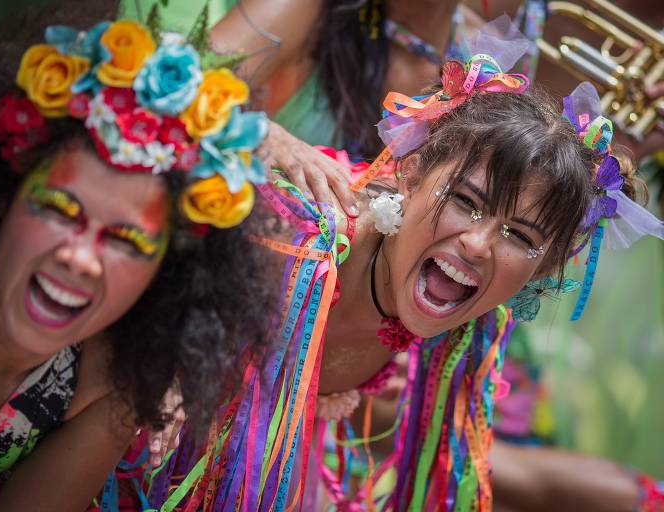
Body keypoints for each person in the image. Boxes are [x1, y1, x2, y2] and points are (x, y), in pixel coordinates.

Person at [144, 18, 664, 511]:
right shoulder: (293, 236)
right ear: (410, 173)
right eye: (467, 202)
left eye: (518, 235)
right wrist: (249, 130)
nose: (481, 244)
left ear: (545, 266)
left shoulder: (466, 319)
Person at [0, 1, 280, 510]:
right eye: (59, 209)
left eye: (127, 241)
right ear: (0, 198)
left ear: (164, 275)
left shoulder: (108, 383)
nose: (80, 257)